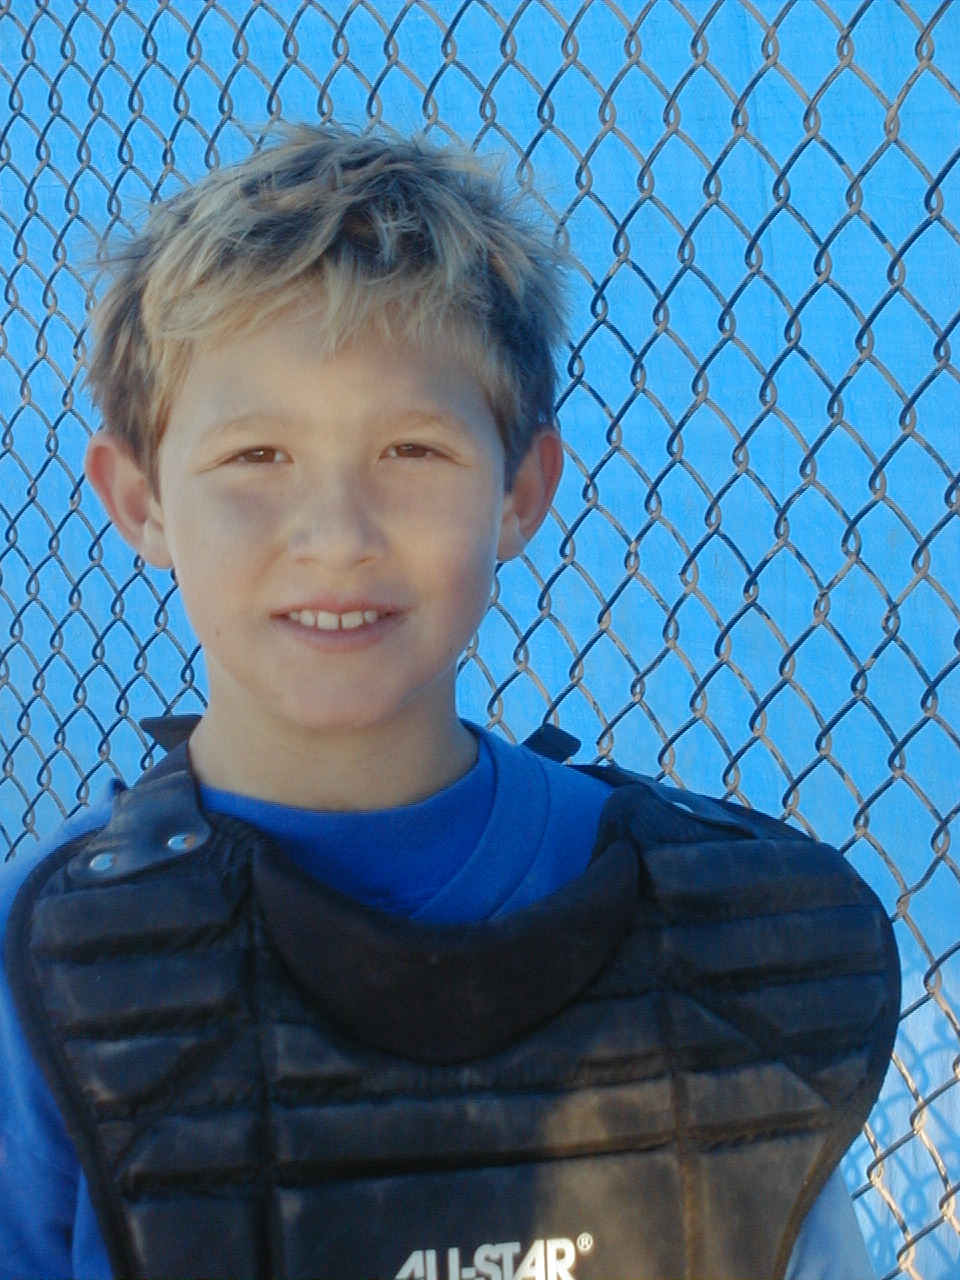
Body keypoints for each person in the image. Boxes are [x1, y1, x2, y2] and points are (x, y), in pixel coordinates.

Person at [0, 124, 898, 1280]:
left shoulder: (728, 939)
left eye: (412, 451)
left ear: (519, 492)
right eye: (256, 456)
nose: (336, 535)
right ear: (141, 501)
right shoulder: (52, 962)